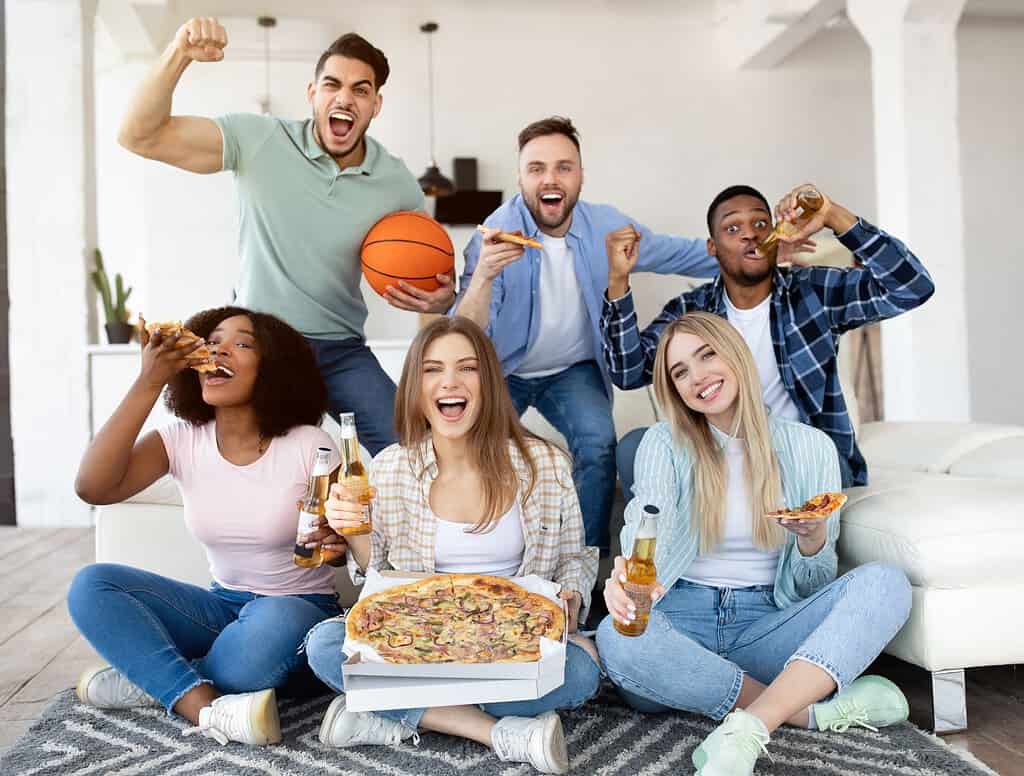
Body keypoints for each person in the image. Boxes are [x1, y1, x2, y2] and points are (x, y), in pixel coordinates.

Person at [117, 17, 454, 455]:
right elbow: (138, 135)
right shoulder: (259, 139)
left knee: (413, 447)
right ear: (312, 93)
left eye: (361, 89)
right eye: (332, 84)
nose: (345, 98)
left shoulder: (398, 184)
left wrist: (441, 302)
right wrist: (179, 53)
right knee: (273, 465)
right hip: (263, 346)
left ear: (376, 105)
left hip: (341, 349)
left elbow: (427, 275)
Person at [595, 312, 913, 776]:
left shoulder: (811, 447)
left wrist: (813, 538)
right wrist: (627, 575)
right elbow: (649, 518)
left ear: (736, 354)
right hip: (681, 625)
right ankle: (806, 713)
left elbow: (813, 584)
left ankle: (750, 727)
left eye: (707, 355)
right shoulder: (663, 443)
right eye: (680, 372)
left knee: (886, 583)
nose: (698, 377)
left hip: (767, 623)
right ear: (673, 389)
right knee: (615, 637)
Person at [302, 316, 600, 775]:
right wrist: (355, 533)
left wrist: (571, 597)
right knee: (325, 642)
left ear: (489, 383)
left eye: (467, 368)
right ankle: (494, 731)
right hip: (420, 635)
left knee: (581, 672)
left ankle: (392, 714)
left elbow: (574, 558)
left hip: (512, 636)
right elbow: (376, 584)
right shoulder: (390, 468)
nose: (450, 382)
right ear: (416, 389)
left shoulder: (546, 463)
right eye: (432, 369)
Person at [69, 306, 348, 747]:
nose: (219, 348)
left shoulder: (309, 444)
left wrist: (338, 541)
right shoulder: (181, 439)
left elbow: (343, 542)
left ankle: (155, 679)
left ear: (272, 367)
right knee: (93, 585)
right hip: (220, 609)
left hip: (298, 607)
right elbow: (93, 487)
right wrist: (150, 379)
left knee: (249, 657)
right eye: (212, 341)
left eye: (242, 342)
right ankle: (206, 706)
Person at [454, 116, 719, 558]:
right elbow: (462, 335)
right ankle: (493, 565)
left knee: (598, 444)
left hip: (573, 371)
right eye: (536, 168)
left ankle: (585, 570)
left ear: (580, 176)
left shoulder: (606, 227)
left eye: (563, 167)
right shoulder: (495, 233)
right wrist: (483, 274)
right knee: (478, 452)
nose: (550, 178)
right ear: (520, 178)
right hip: (503, 370)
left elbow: (677, 252)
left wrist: (746, 254)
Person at [604, 184, 935, 491]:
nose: (750, 234)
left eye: (761, 224)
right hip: (718, 463)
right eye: (733, 228)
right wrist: (619, 279)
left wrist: (832, 215)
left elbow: (912, 287)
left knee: (824, 459)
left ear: (776, 236)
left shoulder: (812, 292)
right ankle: (686, 544)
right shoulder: (692, 312)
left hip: (803, 460)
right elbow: (629, 371)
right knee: (636, 448)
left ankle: (778, 542)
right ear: (712, 248)